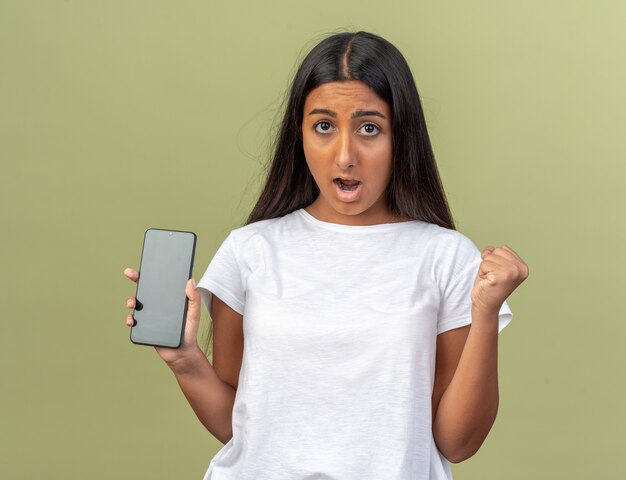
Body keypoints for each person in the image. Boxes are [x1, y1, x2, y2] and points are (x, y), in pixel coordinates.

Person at [123, 31, 528, 480]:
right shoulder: (249, 250)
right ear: (300, 135)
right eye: (323, 126)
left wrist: (485, 313)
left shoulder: (445, 257)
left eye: (369, 128)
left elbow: (457, 441)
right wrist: (185, 361)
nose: (345, 155)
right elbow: (241, 428)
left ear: (401, 137)